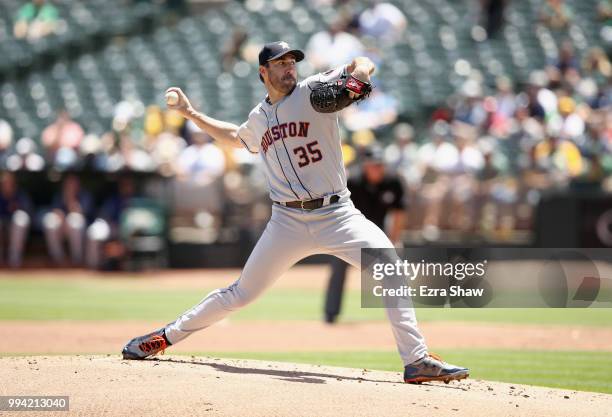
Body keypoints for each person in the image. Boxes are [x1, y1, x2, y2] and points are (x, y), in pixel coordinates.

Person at [121, 41, 469, 384]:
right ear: (263, 72)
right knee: (241, 293)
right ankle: (164, 338)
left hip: (337, 214)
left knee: (390, 268)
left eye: (292, 62)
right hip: (286, 221)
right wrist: (190, 114)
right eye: (280, 63)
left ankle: (416, 360)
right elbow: (237, 137)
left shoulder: (312, 90)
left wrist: (360, 72)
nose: (289, 68)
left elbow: (361, 63)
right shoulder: (259, 117)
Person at [324, 146, 406, 323]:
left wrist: (394, 239)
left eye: (380, 165)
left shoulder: (393, 181)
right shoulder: (352, 181)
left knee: (393, 269)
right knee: (338, 267)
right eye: (373, 165)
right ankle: (330, 314)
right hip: (349, 232)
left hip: (378, 233)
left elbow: (398, 213)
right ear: (365, 166)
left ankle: (400, 315)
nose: (377, 168)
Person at [42, 174, 93, 265]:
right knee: (50, 222)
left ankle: (77, 259)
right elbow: (55, 210)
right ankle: (58, 258)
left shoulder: (84, 195)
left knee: (74, 221)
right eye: (68, 183)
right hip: (63, 225)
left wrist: (70, 198)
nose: (71, 185)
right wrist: (62, 218)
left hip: (81, 229)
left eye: (73, 183)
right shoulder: (59, 195)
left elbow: (80, 212)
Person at [0, 172, 33, 268]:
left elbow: (29, 211)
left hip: (14, 228)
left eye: (9, 182)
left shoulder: (20, 195)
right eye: (4, 183)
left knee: (21, 219)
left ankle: (14, 259)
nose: (7, 184)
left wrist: (17, 208)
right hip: (2, 226)